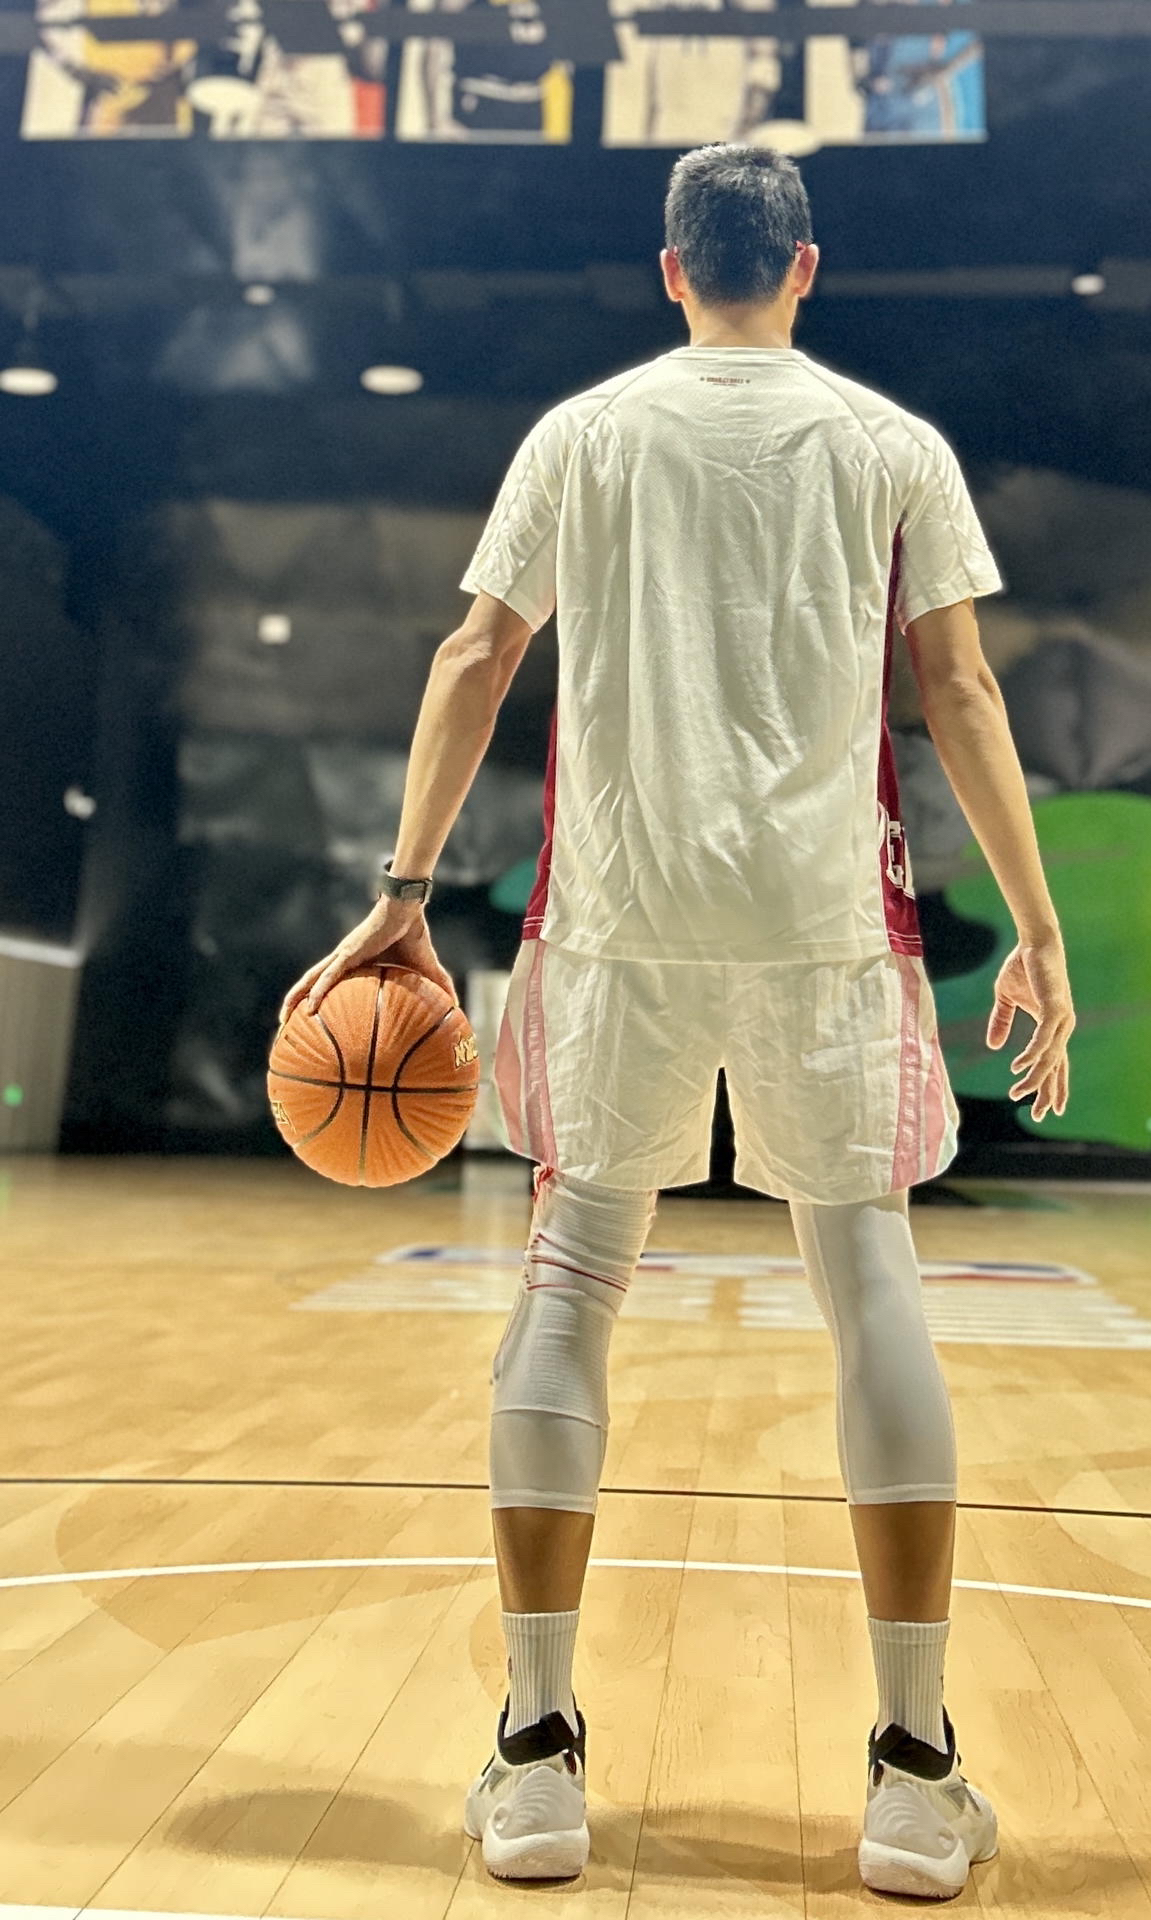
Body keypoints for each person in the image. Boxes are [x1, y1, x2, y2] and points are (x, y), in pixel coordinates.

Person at [282, 141, 1074, 1902]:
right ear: (806, 267)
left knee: (570, 1289)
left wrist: (404, 890)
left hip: (620, 919)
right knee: (871, 1290)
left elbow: (473, 658)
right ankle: (913, 1779)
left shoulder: (583, 434)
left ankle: (537, 1762)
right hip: (821, 928)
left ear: (668, 270)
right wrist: (1035, 926)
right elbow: (958, 688)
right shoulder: (890, 444)